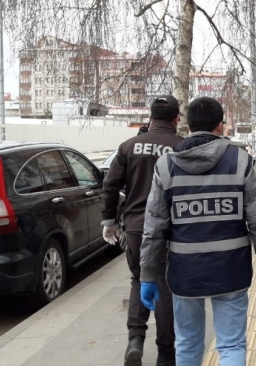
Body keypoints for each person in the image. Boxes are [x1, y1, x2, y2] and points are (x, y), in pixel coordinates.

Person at [138, 97, 256, 366]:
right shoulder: (241, 161)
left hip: (184, 271)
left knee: (188, 343)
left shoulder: (166, 166)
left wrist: (147, 274)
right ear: (220, 125)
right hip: (231, 268)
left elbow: (153, 224)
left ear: (187, 125)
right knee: (232, 344)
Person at [100, 95, 183, 366]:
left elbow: (110, 186)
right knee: (165, 286)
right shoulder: (182, 147)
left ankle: (135, 340)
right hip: (173, 229)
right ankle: (165, 353)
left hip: (136, 227)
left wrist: (109, 221)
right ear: (176, 118)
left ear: (150, 116)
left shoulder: (128, 146)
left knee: (139, 279)